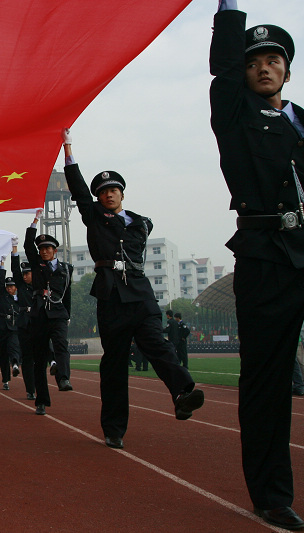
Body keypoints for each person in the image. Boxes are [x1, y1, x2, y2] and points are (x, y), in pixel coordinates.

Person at [210, 2, 304, 528]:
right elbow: (222, 70)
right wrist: (230, 11)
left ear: (288, 68)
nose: (264, 67)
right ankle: (271, 494)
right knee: (268, 383)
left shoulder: (302, 121)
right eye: (253, 61)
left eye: (274, 59)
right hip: (266, 256)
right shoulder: (234, 113)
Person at [61, 127, 204, 450]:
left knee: (157, 342)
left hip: (140, 293)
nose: (108, 194)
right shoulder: (95, 217)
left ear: (122, 193)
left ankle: (182, 393)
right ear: (98, 197)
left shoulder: (140, 221)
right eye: (103, 191)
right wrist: (68, 150)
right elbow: (80, 191)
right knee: (113, 364)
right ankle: (114, 428)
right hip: (111, 295)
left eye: (113, 190)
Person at [24, 229, 74, 415]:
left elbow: (68, 294)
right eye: (41, 248)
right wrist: (33, 225)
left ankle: (63, 379)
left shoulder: (66, 269)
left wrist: (67, 315)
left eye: (48, 248)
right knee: (40, 359)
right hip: (39, 315)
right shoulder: (36, 265)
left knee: (61, 345)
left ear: (55, 250)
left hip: (59, 314)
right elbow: (28, 246)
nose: (44, 251)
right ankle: (42, 400)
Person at [11, 241, 38, 400]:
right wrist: (14, 252)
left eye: (28, 273)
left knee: (40, 356)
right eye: (24, 274)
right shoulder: (21, 286)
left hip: (38, 322)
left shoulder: (40, 285)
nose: (25, 276)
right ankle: (30, 389)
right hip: (24, 324)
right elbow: (15, 270)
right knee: (27, 359)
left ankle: (55, 361)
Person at [0, 258, 22, 390]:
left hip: (14, 328)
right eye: (8, 286)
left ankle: (16, 364)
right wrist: (2, 265)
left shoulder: (19, 299)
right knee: (3, 355)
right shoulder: (2, 295)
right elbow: (0, 281)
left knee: (14, 346)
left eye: (12, 286)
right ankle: (5, 379)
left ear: (16, 288)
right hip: (1, 328)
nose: (9, 288)